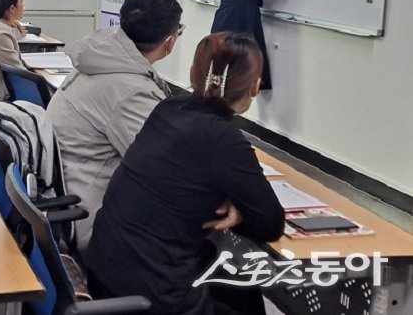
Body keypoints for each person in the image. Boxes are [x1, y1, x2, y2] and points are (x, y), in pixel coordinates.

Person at [85, 32, 285, 315]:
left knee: (238, 286)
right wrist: (239, 212)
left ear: (194, 73)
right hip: (154, 292)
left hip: (107, 267)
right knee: (239, 288)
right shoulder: (223, 138)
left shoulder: (168, 109)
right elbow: (271, 225)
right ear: (254, 87)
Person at [47, 0, 183, 250]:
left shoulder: (100, 59)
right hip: (90, 214)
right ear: (169, 42)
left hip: (65, 192)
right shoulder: (130, 91)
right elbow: (161, 169)